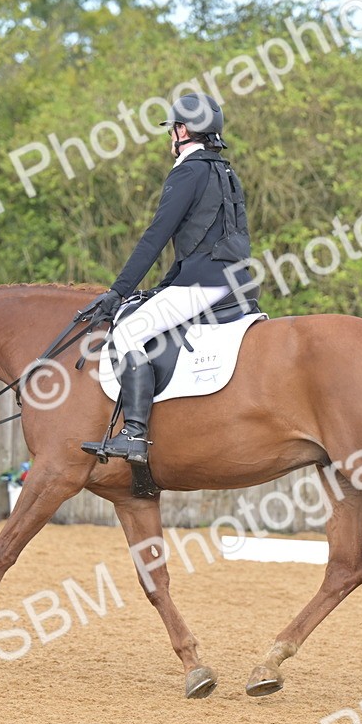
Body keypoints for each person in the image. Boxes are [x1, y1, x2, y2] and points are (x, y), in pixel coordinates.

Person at [80, 93, 255, 470]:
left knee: (128, 332)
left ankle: (135, 434)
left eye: (171, 129)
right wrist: (165, 285)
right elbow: (208, 241)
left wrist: (118, 292)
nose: (169, 138)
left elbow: (156, 237)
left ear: (182, 130)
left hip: (204, 286)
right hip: (236, 283)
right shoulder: (226, 172)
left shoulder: (188, 171)